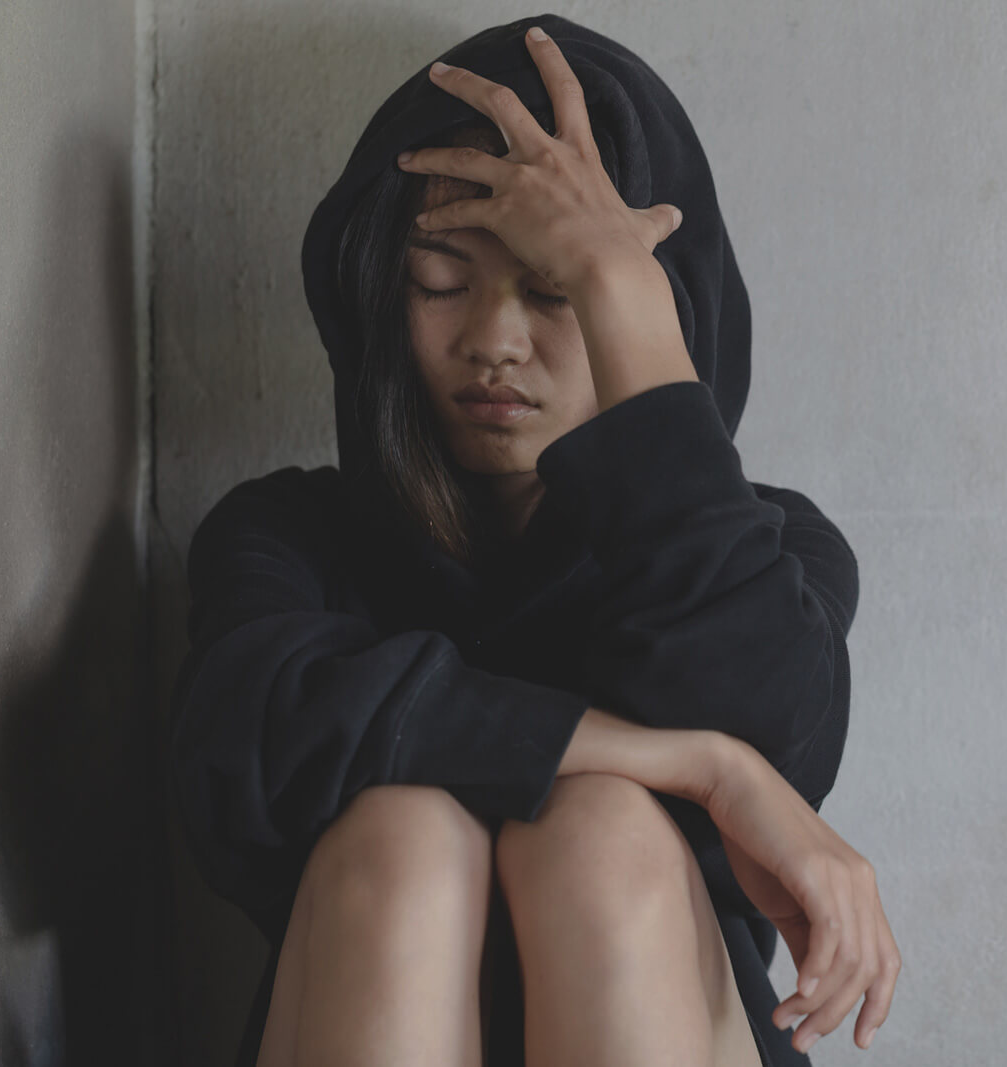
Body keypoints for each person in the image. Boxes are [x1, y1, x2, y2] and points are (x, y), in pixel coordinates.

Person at [167, 13, 901, 1067]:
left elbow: (776, 733)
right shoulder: (289, 538)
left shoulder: (769, 550)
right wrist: (695, 766)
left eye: (555, 289)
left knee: (601, 836)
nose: (494, 342)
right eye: (440, 280)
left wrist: (621, 289)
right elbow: (244, 742)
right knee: (404, 839)